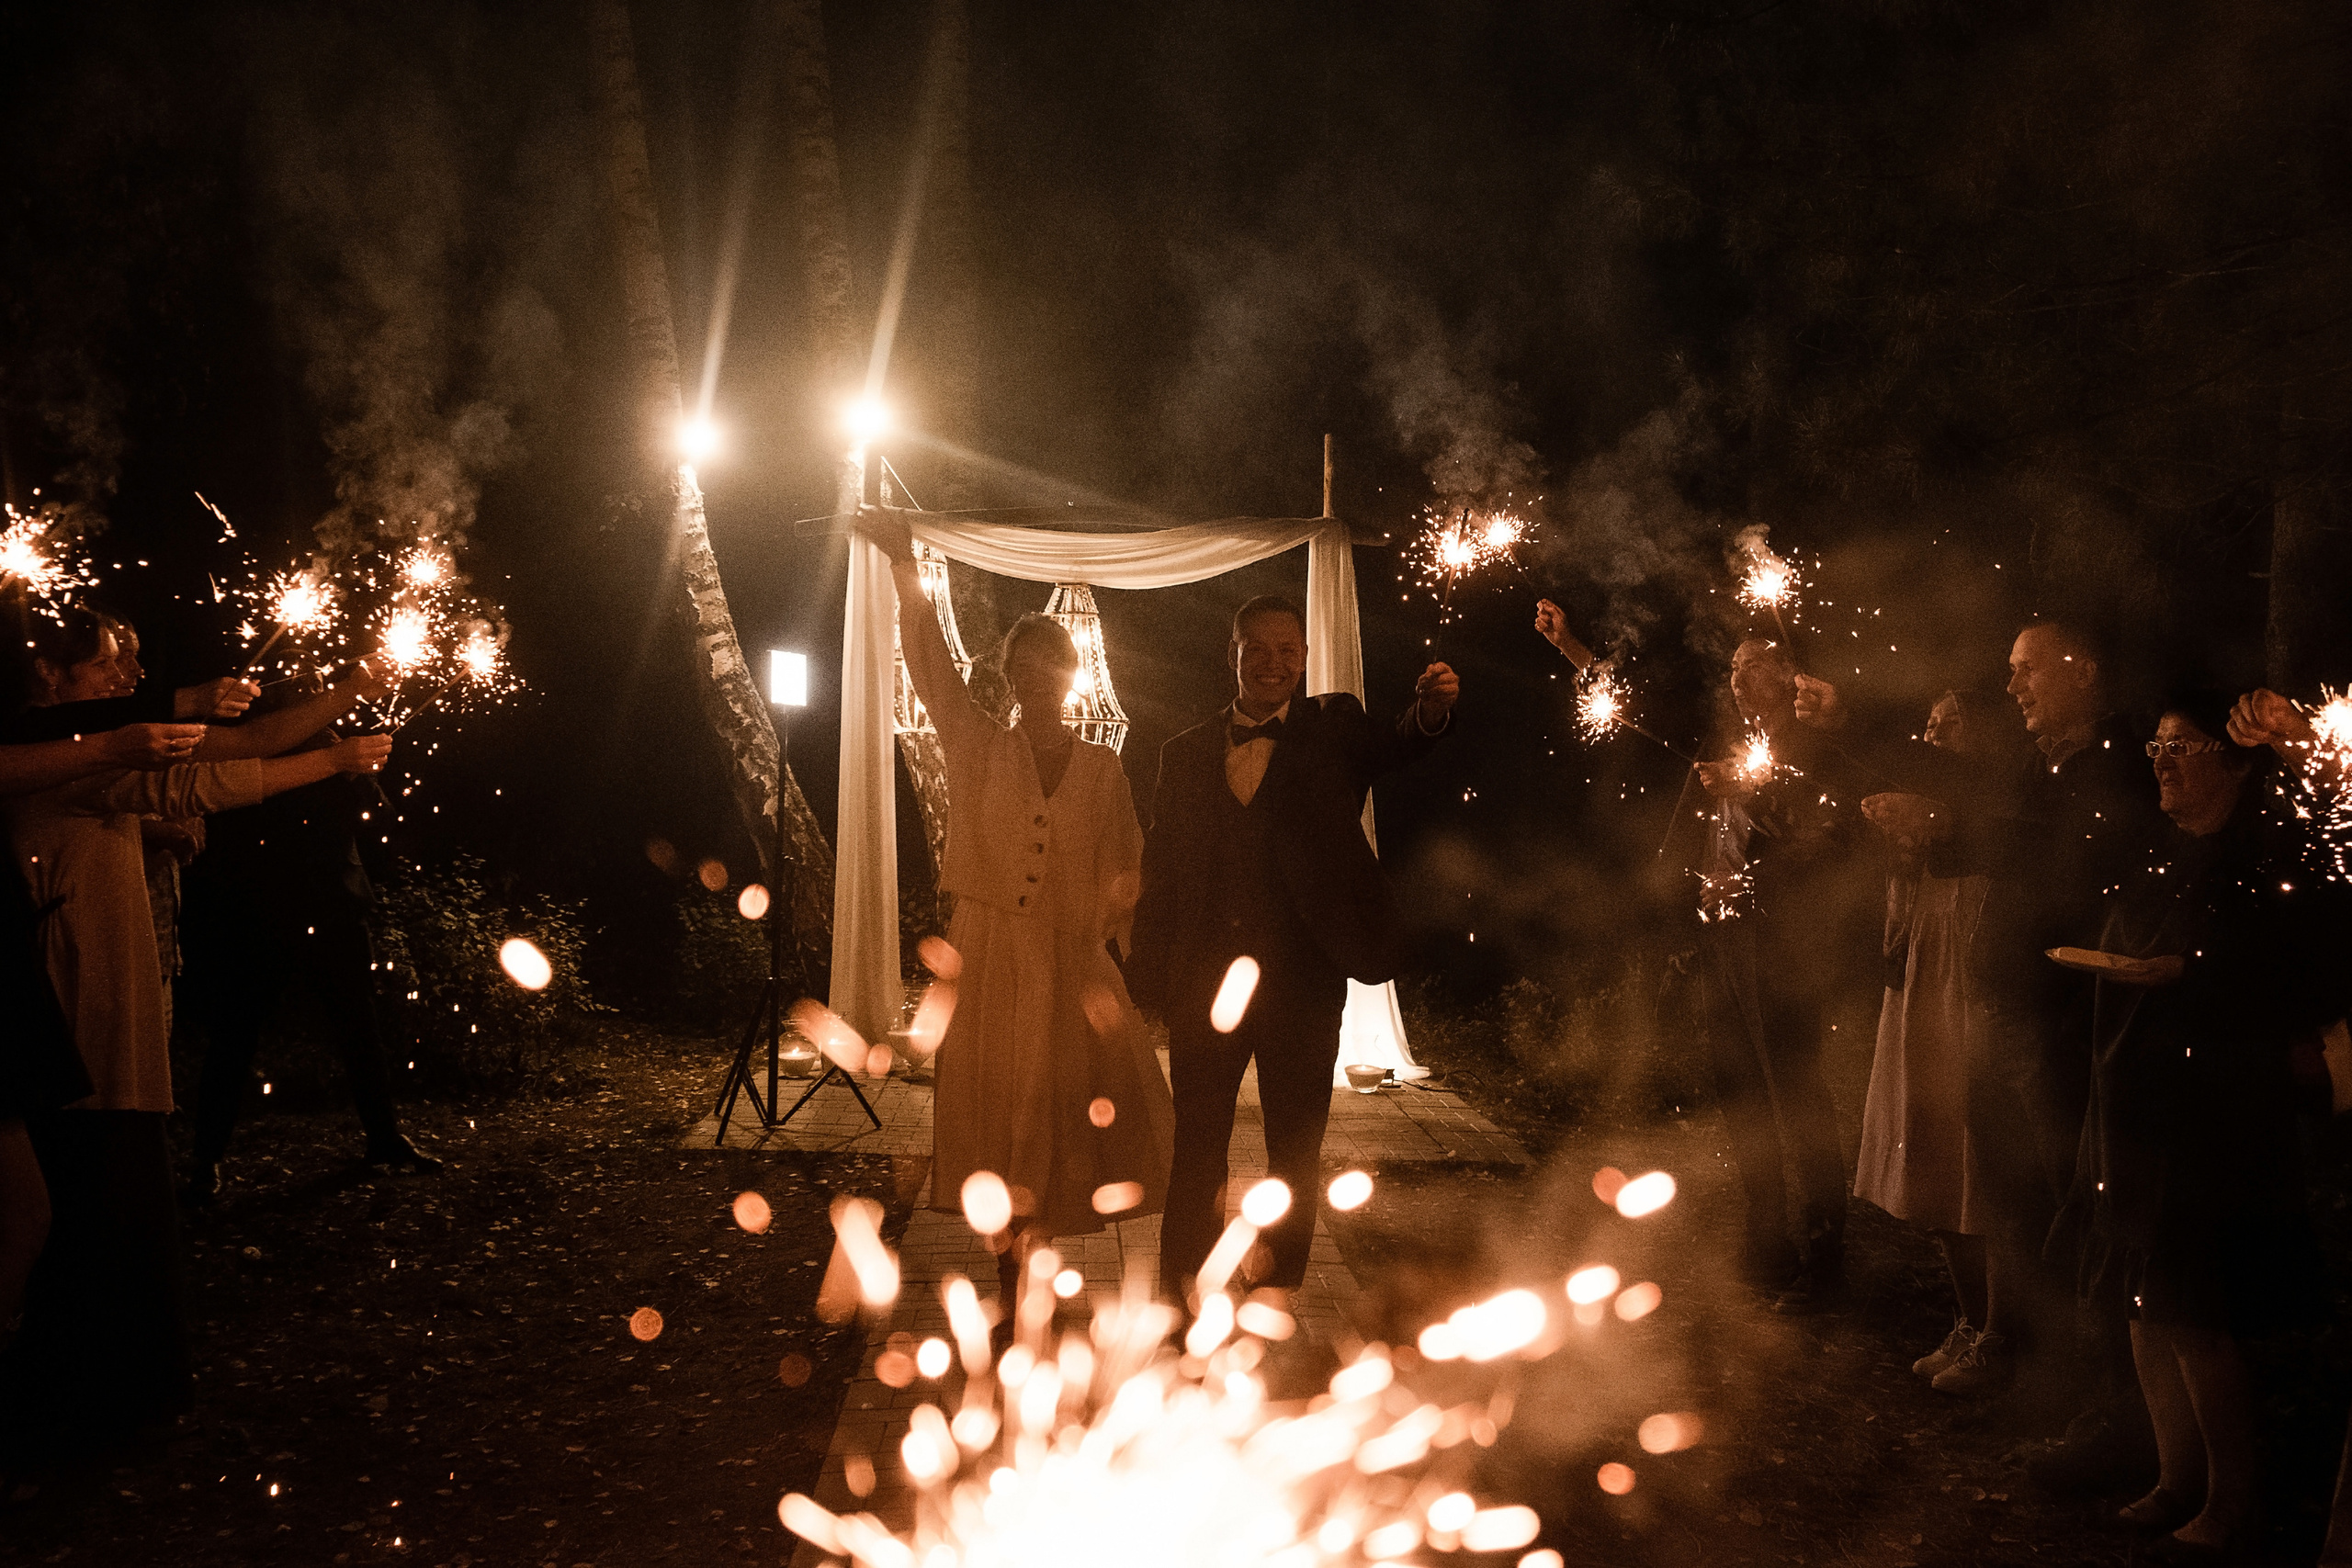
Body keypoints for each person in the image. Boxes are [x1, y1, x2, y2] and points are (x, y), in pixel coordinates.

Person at [0, 606, 392, 1465]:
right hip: (75, 1023)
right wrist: (335, 740)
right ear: (50, 680)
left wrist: (337, 711)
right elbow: (207, 771)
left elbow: (195, 780)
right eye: (102, 669)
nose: (120, 683)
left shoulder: (79, 759)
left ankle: (109, 1402)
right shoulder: (61, 760)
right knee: (78, 1210)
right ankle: (69, 1410)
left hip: (103, 1015)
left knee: (105, 1203)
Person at [1799, 618, 2166, 1456]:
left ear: (2083, 668)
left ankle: (2106, 1414)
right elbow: (1985, 818)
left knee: (2077, 1218)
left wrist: (1857, 728)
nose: (2013, 686)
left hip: (2073, 1028)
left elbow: (2026, 834)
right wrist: (1895, 788)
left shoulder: (2114, 764)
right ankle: (2048, 1384)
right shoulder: (2045, 765)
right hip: (2019, 1019)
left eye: (2028, 669)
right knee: (2021, 1206)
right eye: (2009, 670)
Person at [2044, 693, 2346, 1554]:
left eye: (2185, 746)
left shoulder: (2260, 862)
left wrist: (2194, 974)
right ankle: (2175, 1478)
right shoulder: (2157, 851)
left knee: (2196, 1311)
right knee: (2143, 1300)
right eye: (2158, 747)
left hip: (2214, 1114)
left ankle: (2231, 1500)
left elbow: (2289, 980)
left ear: (2236, 762)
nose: (2164, 762)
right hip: (2137, 1103)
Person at [865, 514, 1175, 1318]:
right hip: (992, 950)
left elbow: (1127, 864)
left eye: (1052, 667)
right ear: (1009, 677)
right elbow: (929, 661)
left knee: (1063, 1111)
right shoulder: (975, 743)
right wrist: (906, 562)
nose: (1040, 680)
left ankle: (1042, 1270)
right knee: (1002, 1111)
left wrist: (1129, 946)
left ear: (1070, 676)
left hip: (1071, 958)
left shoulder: (1104, 768)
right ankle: (1009, 1275)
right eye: (1025, 668)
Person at [1132, 593, 1456, 1308]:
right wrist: (1150, 981)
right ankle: (1185, 1293)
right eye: (1259, 648)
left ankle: (1277, 1291)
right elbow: (1163, 871)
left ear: (1305, 657)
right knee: (1197, 1150)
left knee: (1294, 1154)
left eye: (1289, 649)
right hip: (1205, 989)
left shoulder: (1334, 728)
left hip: (1303, 985)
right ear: (1234, 655)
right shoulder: (1181, 751)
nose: (1274, 662)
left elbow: (1402, 740)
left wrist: (1430, 711)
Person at [181, 665, 433, 1199]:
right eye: (307, 689)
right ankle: (205, 1158)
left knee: (358, 1028)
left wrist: (356, 770)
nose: (314, 693)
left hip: (333, 908)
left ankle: (384, 1139)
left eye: (316, 688)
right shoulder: (247, 750)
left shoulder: (336, 745)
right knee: (237, 1033)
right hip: (263, 912)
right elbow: (231, 821)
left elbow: (378, 823)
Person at [1666, 633, 1862, 1311]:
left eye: (1753, 667)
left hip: (1785, 946)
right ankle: (1766, 1245)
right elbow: (1716, 842)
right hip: (1727, 940)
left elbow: (1826, 840)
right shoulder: (1736, 741)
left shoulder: (1813, 747)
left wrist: (1757, 798)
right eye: (1732, 669)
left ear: (1789, 674)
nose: (1738, 680)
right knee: (1741, 1089)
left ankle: (1825, 1260)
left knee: (1795, 1094)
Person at [1850, 689, 2021, 1385]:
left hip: (1967, 987)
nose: (1936, 735)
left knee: (1975, 1158)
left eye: (1953, 722)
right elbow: (1892, 915)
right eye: (1930, 723)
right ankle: (1968, 1315)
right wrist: (1896, 842)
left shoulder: (1999, 806)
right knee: (1927, 1146)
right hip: (1922, 980)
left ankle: (2002, 1332)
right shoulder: (1922, 808)